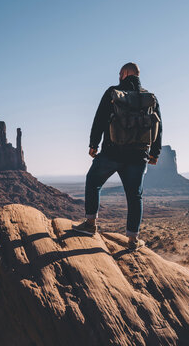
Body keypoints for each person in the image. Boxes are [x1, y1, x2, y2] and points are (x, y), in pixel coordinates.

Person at [72, 62, 162, 250]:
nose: (118, 76)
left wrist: (93, 145)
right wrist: (155, 153)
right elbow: (158, 126)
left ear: (125, 74)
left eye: (120, 73)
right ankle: (133, 240)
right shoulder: (149, 97)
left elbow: (100, 118)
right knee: (135, 196)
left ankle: (90, 225)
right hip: (138, 156)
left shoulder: (113, 92)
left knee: (93, 181)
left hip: (112, 153)